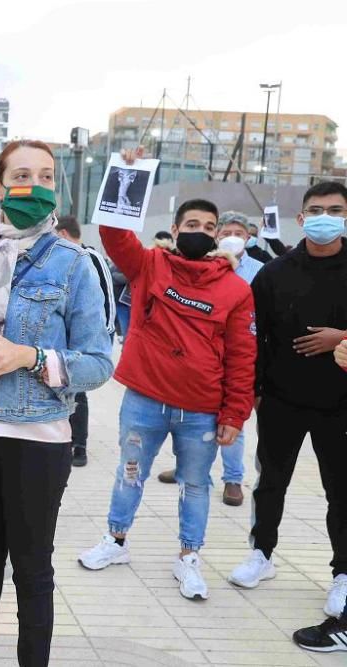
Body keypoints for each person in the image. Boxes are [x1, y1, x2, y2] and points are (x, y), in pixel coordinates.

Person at [0, 140, 113, 667]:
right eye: (21, 175)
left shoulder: (75, 264)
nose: (34, 187)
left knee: (32, 567)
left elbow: (99, 363)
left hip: (37, 437)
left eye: (45, 176)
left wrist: (27, 357)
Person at [79, 149, 256, 602]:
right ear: (175, 231)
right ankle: (115, 542)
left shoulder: (235, 289)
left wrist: (235, 413)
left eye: (208, 228)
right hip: (144, 401)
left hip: (201, 410)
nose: (200, 232)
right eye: (191, 225)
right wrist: (129, 171)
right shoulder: (149, 266)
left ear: (218, 237)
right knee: (129, 473)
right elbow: (113, 234)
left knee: (196, 485)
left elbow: (241, 354)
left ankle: (188, 557)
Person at [228, 181, 347, 620]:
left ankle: (343, 574)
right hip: (282, 399)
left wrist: (343, 338)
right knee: (271, 481)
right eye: (316, 209)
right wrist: (254, 391)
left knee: (342, 490)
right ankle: (261, 553)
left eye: (335, 210)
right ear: (301, 218)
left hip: (341, 404)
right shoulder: (275, 272)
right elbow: (252, 338)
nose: (324, 217)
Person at [157, 211, 263, 505]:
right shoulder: (205, 263)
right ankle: (184, 467)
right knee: (188, 420)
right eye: (226, 231)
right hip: (202, 361)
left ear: (249, 237)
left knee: (232, 419)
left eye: (239, 233)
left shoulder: (259, 270)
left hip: (239, 357)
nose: (232, 238)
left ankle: (233, 479)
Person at [55, 215, 115, 468]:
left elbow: (107, 297)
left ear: (65, 234)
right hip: (61, 341)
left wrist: (107, 332)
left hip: (85, 340)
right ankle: (64, 437)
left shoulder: (91, 258)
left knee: (77, 391)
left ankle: (79, 445)